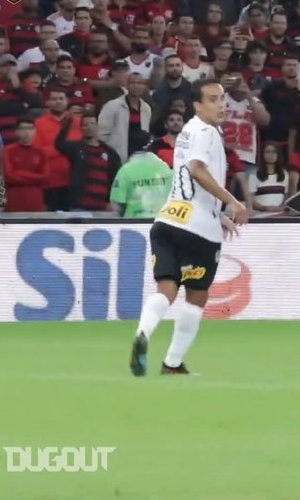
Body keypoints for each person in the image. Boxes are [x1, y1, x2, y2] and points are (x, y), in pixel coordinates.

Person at [129, 79, 248, 377]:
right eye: (212, 99)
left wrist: (215, 211)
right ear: (196, 105)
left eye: (222, 99)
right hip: (197, 230)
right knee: (196, 297)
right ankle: (172, 363)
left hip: (167, 220)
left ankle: (143, 332)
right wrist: (232, 202)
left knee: (166, 290)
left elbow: (184, 176)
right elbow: (196, 170)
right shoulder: (206, 132)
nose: (221, 105)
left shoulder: (186, 132)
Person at [110, 141, 175, 218]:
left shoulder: (125, 170)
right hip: (162, 220)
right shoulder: (165, 167)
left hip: (134, 223)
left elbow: (117, 204)